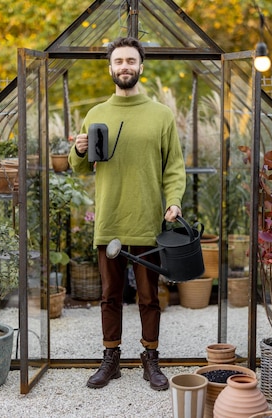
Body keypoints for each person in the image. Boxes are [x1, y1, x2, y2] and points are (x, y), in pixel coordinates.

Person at [68, 36, 186, 391]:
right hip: (110, 220)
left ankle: (151, 358)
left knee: (149, 297)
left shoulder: (161, 115)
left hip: (149, 222)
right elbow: (83, 168)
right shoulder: (97, 114)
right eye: (118, 61)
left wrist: (174, 200)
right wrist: (77, 150)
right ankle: (111, 358)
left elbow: (174, 168)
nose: (124, 67)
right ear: (110, 68)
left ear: (140, 67)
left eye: (130, 61)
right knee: (109, 295)